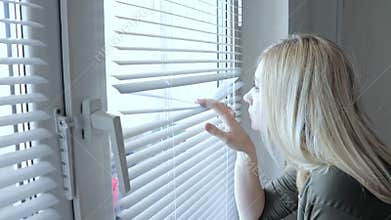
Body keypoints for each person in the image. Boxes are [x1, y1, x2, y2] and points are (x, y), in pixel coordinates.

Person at [196, 34, 391, 220]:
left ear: (290, 101)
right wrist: (245, 151)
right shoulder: (315, 158)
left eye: (258, 87)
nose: (247, 97)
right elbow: (256, 214)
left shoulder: (333, 186)